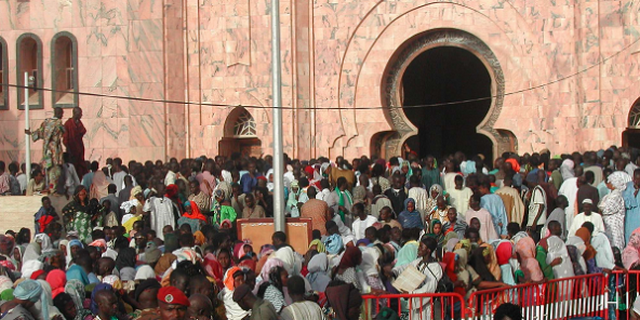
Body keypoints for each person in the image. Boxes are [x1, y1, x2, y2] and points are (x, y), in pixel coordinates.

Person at [392, 236, 442, 319]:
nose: (418, 249)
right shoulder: (418, 262)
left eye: (421, 247)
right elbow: (404, 268)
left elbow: (430, 288)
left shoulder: (435, 267)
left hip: (427, 306)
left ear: (428, 250)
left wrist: (411, 294)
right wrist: (393, 272)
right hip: (415, 304)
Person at [26, 107, 65, 194]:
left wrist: (31, 133)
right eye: (61, 113)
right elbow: (64, 132)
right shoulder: (59, 123)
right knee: (56, 170)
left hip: (46, 150)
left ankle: (49, 188)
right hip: (55, 150)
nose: (62, 115)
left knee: (47, 169)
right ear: (58, 113)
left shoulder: (46, 122)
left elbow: (39, 133)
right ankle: (52, 189)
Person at [599, 171, 628, 250]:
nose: (608, 183)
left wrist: (600, 209)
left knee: (615, 244)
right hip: (607, 224)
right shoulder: (610, 194)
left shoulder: (617, 195)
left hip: (614, 224)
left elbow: (607, 209)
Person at [63, 107, 87, 179]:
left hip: (79, 149)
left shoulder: (78, 122)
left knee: (80, 168)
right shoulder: (68, 124)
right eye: (80, 114)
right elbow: (65, 139)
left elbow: (83, 131)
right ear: (75, 113)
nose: (81, 115)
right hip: (72, 150)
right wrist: (69, 151)